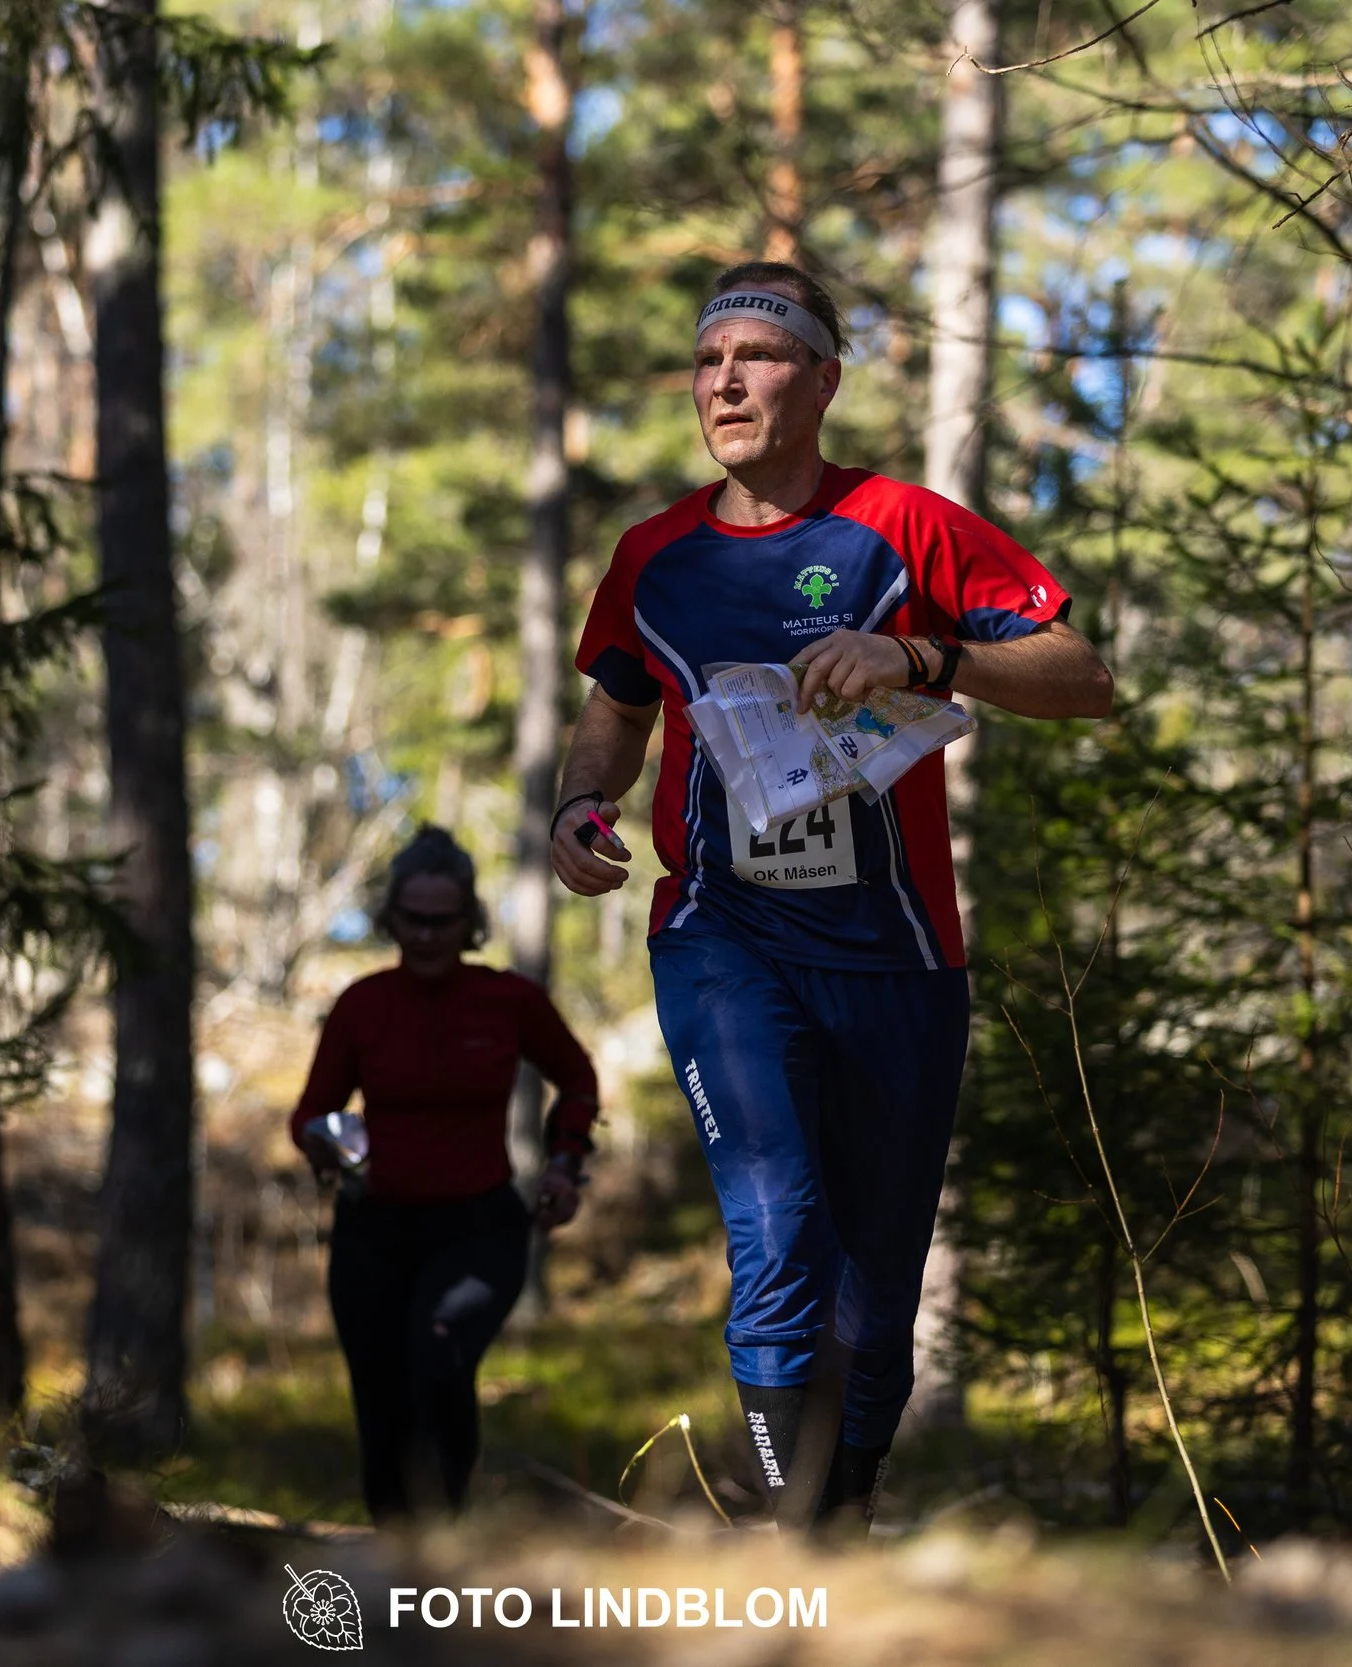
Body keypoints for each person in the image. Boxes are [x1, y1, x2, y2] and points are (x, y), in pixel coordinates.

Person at [548, 261, 1112, 1532]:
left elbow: (1082, 675)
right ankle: (787, 1530)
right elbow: (616, 708)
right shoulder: (653, 557)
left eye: (755, 356)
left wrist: (921, 652)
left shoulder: (906, 526)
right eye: (707, 362)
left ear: (823, 380)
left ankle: (838, 1520)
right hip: (722, 936)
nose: (725, 382)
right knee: (778, 1219)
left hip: (897, 953)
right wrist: (579, 806)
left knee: (875, 1282)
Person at [291, 825, 598, 1522]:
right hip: (373, 1232)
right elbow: (310, 1113)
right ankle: (393, 1549)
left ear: (470, 923)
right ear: (390, 919)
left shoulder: (508, 1000)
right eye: (412, 919)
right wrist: (326, 1144)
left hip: (478, 1228)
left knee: (438, 1357)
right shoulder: (362, 1005)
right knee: (380, 1397)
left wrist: (564, 1165)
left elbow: (577, 1079)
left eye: (443, 921)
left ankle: (441, 1534)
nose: (426, 936)